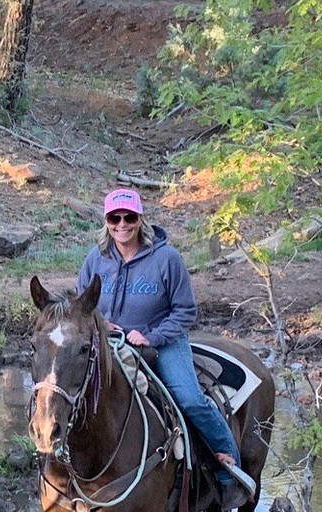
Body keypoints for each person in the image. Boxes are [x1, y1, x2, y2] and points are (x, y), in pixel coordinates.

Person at [76, 188, 257, 511]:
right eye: (114, 218)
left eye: (129, 217)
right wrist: (104, 325)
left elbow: (185, 311)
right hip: (111, 343)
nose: (122, 225)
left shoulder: (166, 259)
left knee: (190, 399)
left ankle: (230, 472)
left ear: (140, 218)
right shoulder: (96, 259)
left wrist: (151, 336)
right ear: (106, 222)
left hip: (162, 342)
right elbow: (83, 307)